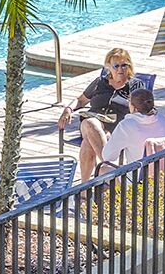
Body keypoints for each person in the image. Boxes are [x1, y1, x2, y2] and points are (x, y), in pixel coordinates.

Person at [62, 50, 150, 180]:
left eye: (124, 65)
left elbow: (141, 109)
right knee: (90, 123)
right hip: (92, 123)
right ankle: (109, 169)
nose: (120, 69)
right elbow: (80, 100)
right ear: (108, 67)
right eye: (116, 66)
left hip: (118, 128)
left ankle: (85, 188)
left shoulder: (135, 85)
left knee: (88, 143)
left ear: (129, 66)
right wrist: (68, 109)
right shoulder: (99, 83)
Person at [100, 87, 165, 169]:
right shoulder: (162, 119)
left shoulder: (127, 125)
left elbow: (108, 156)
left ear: (133, 107)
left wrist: (110, 139)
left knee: (103, 169)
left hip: (140, 178)